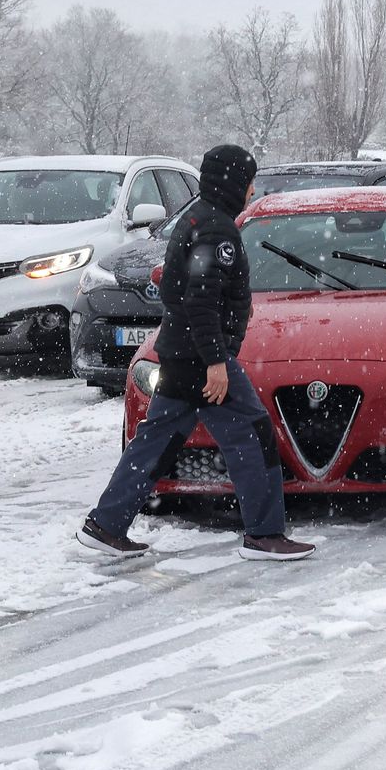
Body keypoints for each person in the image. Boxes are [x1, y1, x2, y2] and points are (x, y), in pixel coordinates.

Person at [77, 144, 316, 561]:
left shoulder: (193, 219)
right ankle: (264, 534)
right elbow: (200, 300)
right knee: (253, 434)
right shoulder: (217, 230)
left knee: (157, 440)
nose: (252, 189)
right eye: (248, 181)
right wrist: (216, 361)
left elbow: (171, 288)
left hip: (179, 351)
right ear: (233, 182)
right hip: (201, 358)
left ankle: (106, 525)